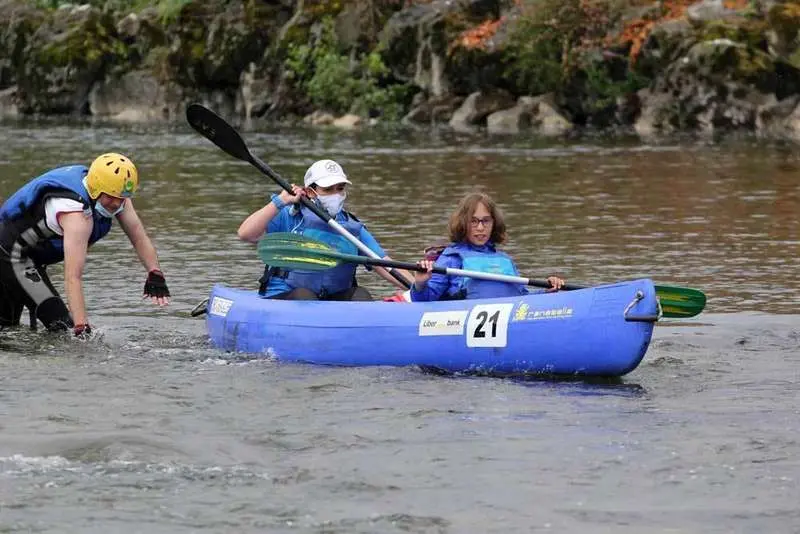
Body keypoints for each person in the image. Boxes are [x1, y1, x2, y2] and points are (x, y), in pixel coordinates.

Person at [0, 153, 170, 337]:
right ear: (96, 189)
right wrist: (82, 329)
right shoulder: (76, 215)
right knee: (62, 328)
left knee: (8, 330)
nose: (116, 203)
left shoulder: (116, 195)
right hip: (11, 254)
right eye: (111, 197)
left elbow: (138, 237)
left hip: (30, 257)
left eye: (122, 197)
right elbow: (73, 277)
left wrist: (155, 273)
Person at [237, 159, 411, 301]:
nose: (336, 194)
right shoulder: (288, 215)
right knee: (305, 296)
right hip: (287, 296)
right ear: (311, 192)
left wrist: (423, 290)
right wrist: (280, 201)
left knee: (360, 295)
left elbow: (386, 265)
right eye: (328, 189)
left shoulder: (351, 227)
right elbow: (245, 234)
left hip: (332, 299)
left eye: (340, 188)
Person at [411, 191, 565, 301]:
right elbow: (424, 300)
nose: (480, 228)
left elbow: (523, 299)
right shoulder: (451, 257)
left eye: (486, 221)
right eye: (474, 221)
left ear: (494, 223)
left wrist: (548, 291)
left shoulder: (504, 260)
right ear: (463, 223)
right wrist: (420, 282)